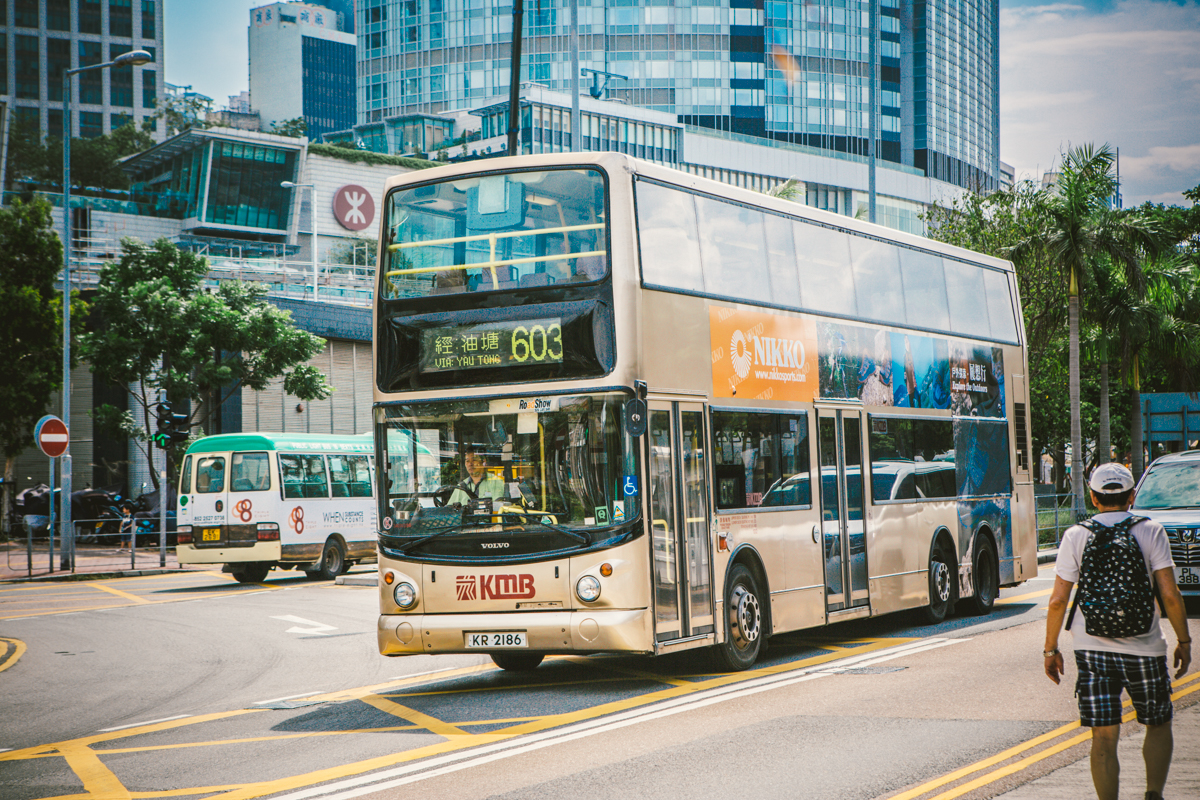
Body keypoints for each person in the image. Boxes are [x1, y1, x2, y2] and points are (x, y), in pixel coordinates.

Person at [1044, 462, 1192, 800]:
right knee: (1157, 723)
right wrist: (1183, 640)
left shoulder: (1076, 535)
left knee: (1103, 737)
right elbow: (1170, 593)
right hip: (1146, 647)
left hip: (1093, 649)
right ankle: (1153, 793)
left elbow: (1057, 601)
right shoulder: (1151, 530)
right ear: (1132, 497)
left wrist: (1051, 650)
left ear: (1093, 498)